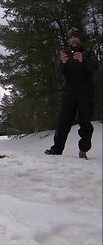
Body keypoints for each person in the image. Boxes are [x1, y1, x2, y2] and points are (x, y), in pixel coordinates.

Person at [44, 27, 98, 158]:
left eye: (76, 37)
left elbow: (95, 68)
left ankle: (83, 150)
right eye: (71, 37)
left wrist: (82, 60)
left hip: (86, 92)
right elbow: (59, 73)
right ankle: (57, 149)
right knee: (63, 121)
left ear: (80, 39)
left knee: (85, 122)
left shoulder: (88, 53)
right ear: (69, 40)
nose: (73, 39)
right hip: (69, 92)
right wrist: (62, 63)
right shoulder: (66, 54)